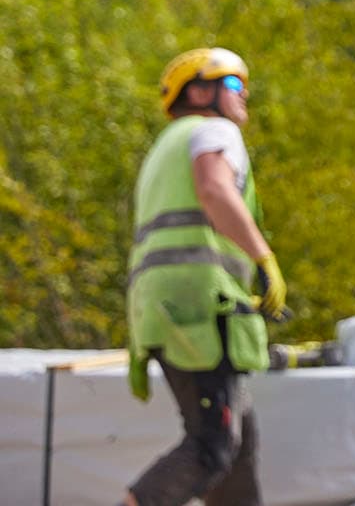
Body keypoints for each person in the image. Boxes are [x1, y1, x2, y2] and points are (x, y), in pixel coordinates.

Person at [124, 47, 286, 506]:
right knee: (210, 447)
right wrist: (263, 257)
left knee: (237, 444)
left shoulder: (164, 147)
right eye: (233, 84)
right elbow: (214, 189)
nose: (244, 94)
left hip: (160, 308)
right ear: (199, 91)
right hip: (200, 308)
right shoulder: (215, 130)